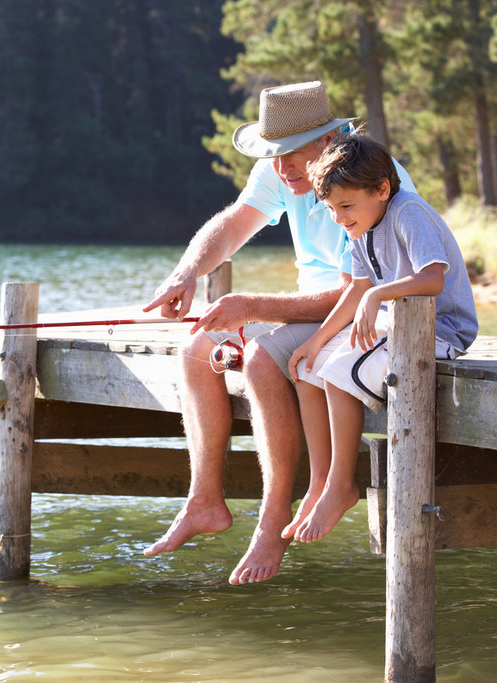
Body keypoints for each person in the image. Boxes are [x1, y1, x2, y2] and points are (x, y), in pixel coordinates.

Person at [141, 81, 416, 584]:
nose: (282, 167)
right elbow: (230, 225)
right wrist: (186, 273)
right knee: (196, 352)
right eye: (274, 154)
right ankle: (204, 502)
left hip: (367, 316)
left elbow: (365, 289)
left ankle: (272, 523)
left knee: (262, 360)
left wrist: (252, 306)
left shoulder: (371, 179)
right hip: (311, 311)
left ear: (328, 140)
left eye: (291, 153)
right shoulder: (281, 171)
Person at [284, 133, 477, 543]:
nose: (339, 218)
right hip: (399, 327)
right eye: (332, 209)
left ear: (382, 188)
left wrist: (378, 294)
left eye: (346, 206)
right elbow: (357, 288)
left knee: (338, 372)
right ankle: (323, 479)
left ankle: (341, 486)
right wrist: (318, 338)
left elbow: (432, 278)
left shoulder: (409, 214)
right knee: (309, 366)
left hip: (441, 331)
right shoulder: (361, 225)